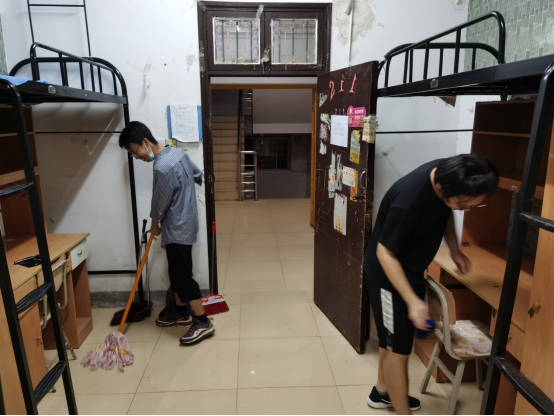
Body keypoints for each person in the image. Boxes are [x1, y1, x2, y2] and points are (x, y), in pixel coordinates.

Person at [364, 154, 499, 414]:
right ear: (449, 190)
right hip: (387, 277)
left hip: (409, 269)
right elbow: (385, 253)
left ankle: (382, 392)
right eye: (464, 204)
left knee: (393, 341)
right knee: (398, 351)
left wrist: (455, 250)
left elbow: (446, 211)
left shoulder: (446, 175)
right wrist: (413, 301)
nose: (465, 210)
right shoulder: (408, 200)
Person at [119, 121, 215, 345]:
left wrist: (155, 223)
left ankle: (202, 321)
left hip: (177, 227)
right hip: (186, 222)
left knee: (182, 276)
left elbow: (160, 201)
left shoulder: (162, 167)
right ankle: (181, 311)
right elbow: (196, 173)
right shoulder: (178, 154)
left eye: (135, 152)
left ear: (145, 142)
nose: (137, 157)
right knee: (176, 271)